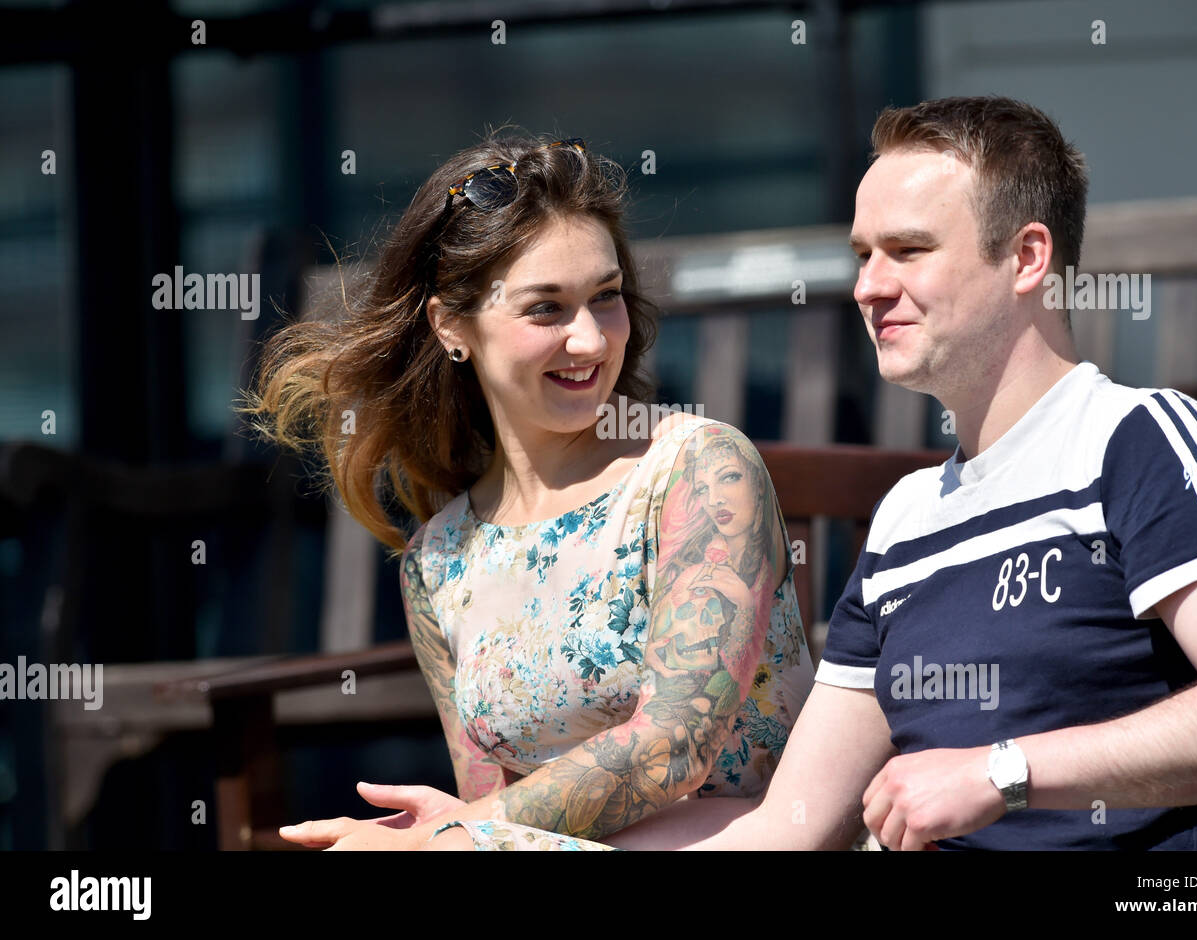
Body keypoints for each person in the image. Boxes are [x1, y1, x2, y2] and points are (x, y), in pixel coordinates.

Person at [605, 95, 1197, 851]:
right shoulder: (906, 517)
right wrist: (507, 838)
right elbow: (787, 827)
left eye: (907, 251)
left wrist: (1002, 774)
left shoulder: (1135, 440)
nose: (868, 286)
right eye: (861, 255)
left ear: (1028, 258)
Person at [241, 132, 814, 851]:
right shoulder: (439, 562)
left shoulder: (698, 471)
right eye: (547, 309)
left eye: (605, 299)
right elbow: (499, 810)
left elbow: (676, 745)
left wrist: (448, 836)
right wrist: (451, 834)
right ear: (453, 327)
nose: (591, 341)